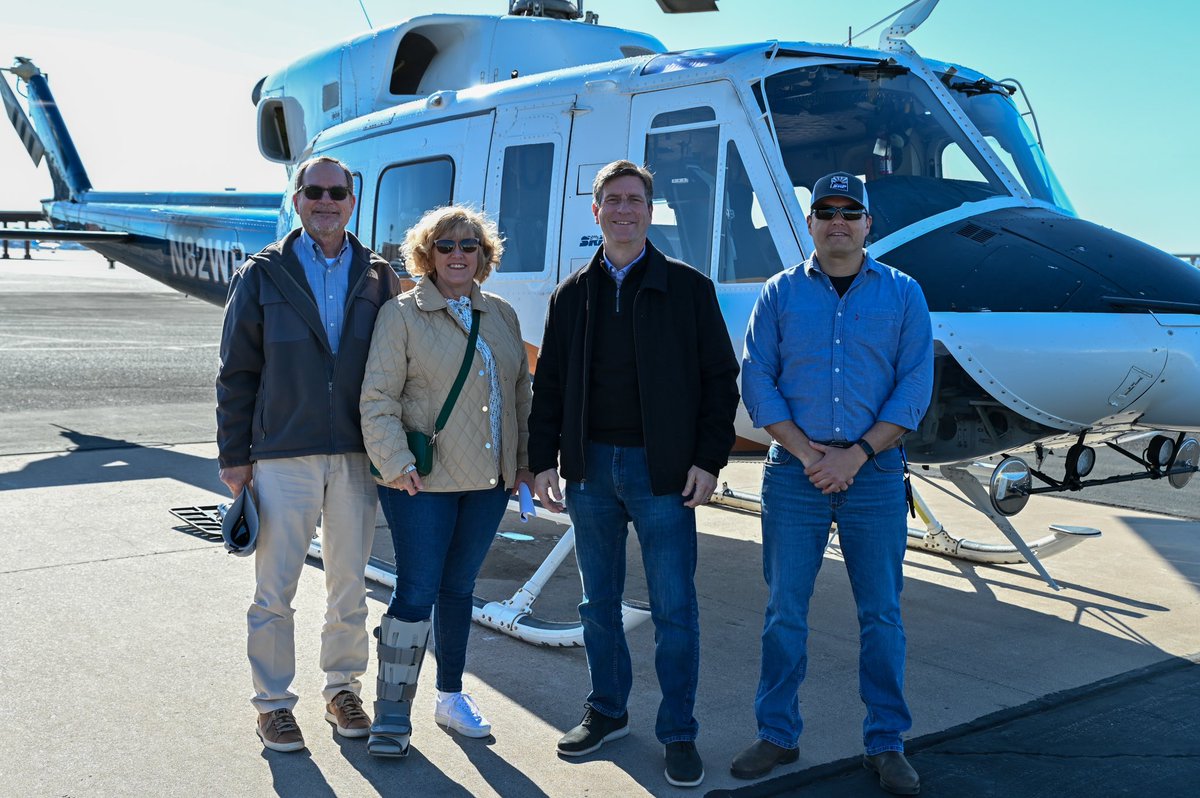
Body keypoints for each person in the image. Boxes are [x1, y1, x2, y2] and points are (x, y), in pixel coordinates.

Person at [528, 160, 740, 788]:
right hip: (592, 471)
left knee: (675, 609)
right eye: (611, 201)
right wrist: (543, 459)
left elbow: (718, 382)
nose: (623, 211)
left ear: (650, 211)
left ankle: (678, 732)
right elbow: (553, 386)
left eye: (635, 201)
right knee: (597, 605)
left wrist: (708, 460)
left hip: (665, 474)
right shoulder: (572, 295)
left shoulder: (689, 289)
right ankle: (608, 711)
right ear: (595, 213)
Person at [733, 172, 934, 794]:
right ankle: (776, 734)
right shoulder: (779, 293)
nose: (838, 222)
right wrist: (805, 451)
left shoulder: (903, 294)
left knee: (881, 614)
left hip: (873, 476)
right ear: (812, 222)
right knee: (784, 613)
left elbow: (914, 386)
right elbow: (757, 379)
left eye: (850, 212)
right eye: (826, 211)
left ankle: (886, 741)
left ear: (868, 224)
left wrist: (856, 455)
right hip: (793, 477)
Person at [216, 156, 403, 752]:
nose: (326, 201)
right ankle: (272, 703)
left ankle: (341, 688)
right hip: (281, 453)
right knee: (275, 587)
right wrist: (234, 456)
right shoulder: (263, 273)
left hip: (355, 454)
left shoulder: (379, 276)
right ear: (298, 199)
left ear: (353, 200)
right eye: (314, 191)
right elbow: (236, 372)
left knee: (349, 585)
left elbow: (400, 366)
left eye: (337, 192)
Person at [360, 205, 533, 757]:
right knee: (415, 591)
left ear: (484, 256)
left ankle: (451, 697)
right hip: (419, 481)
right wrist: (394, 462)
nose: (458, 254)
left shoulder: (501, 314)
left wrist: (523, 465)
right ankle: (391, 713)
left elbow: (520, 397)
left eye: (469, 245)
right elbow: (377, 399)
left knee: (459, 591)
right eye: (446, 245)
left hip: (486, 483)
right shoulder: (401, 314)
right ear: (426, 255)